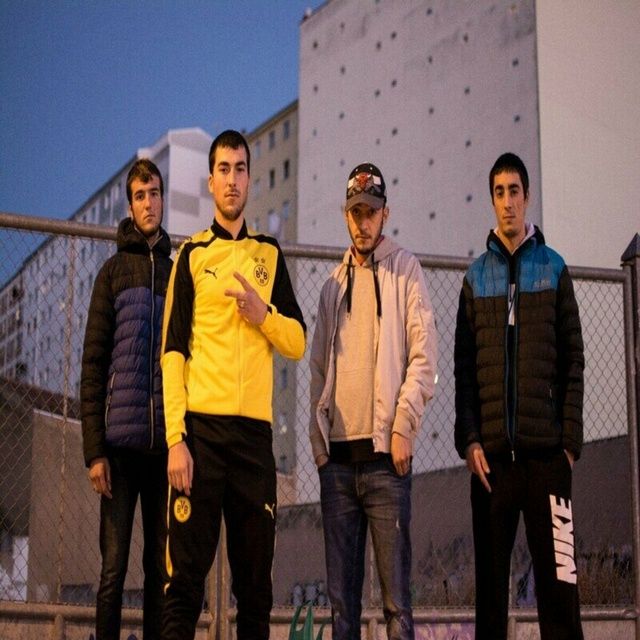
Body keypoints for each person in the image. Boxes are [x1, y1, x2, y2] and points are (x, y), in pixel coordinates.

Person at [160, 129, 306, 640]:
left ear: (249, 178)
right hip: (200, 437)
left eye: (240, 169)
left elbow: (297, 341)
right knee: (183, 587)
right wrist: (175, 439)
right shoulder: (192, 255)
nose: (232, 179)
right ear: (211, 181)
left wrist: (264, 315)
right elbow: (172, 353)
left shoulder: (270, 255)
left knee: (255, 593)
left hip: (253, 442)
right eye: (223, 169)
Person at [454, 152, 585, 639]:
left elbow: (574, 360)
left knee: (560, 594)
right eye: (499, 192)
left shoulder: (554, 269)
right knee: (490, 600)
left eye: (514, 191)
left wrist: (569, 444)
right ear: (492, 200)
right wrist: (470, 440)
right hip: (491, 467)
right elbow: (463, 370)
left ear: (527, 197)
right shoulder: (475, 278)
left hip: (548, 461)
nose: (507, 201)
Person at [309, 163, 438, 640]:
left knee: (396, 608)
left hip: (387, 463)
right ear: (346, 216)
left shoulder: (406, 271)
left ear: (386, 214)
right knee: (342, 611)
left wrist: (404, 424)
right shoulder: (332, 285)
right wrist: (319, 446)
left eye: (371, 212)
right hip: (338, 468)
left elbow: (425, 355)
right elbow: (317, 368)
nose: (363, 222)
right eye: (355, 212)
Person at [81, 158, 172, 639]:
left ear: (163, 198)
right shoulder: (112, 273)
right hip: (117, 452)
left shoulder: (177, 275)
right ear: (130, 205)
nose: (148, 203)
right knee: (112, 572)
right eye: (140, 196)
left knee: (159, 572)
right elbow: (93, 364)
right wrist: (94, 451)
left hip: (164, 452)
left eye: (154, 193)